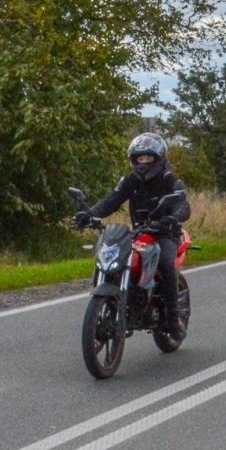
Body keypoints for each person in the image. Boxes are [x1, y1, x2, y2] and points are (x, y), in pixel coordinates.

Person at [74, 133, 191, 339]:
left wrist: (173, 218)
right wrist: (90, 214)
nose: (143, 162)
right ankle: (118, 298)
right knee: (113, 259)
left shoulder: (169, 180)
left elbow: (183, 205)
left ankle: (173, 320)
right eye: (139, 158)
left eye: (148, 158)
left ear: (159, 158)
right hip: (138, 233)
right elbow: (111, 200)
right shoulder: (130, 181)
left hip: (165, 234)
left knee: (165, 263)